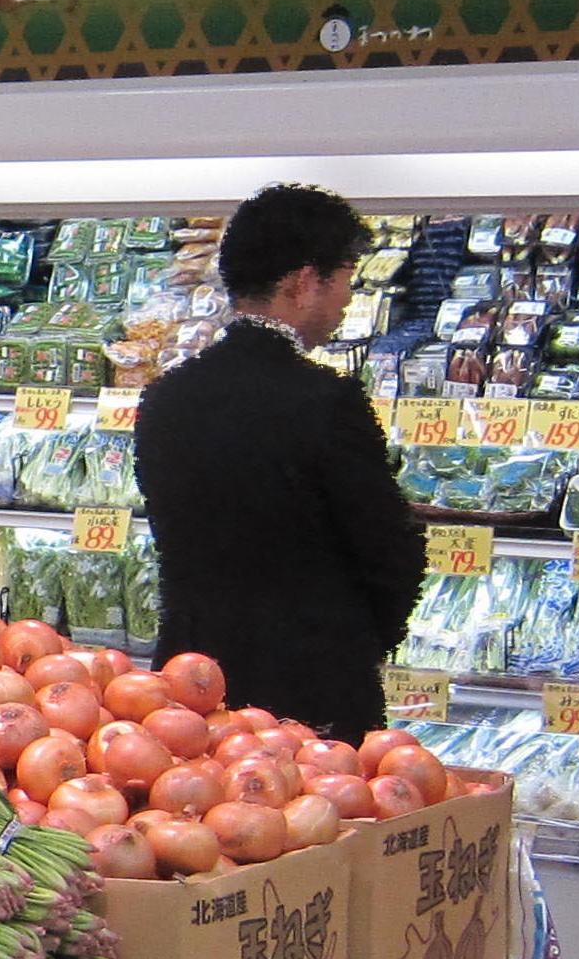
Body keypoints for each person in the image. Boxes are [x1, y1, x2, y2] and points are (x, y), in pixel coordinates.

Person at [133, 183, 426, 742]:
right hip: (310, 690)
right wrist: (357, 642)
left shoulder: (167, 396)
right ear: (303, 282)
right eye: (343, 280)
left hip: (190, 685)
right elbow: (391, 553)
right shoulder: (326, 399)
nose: (345, 301)